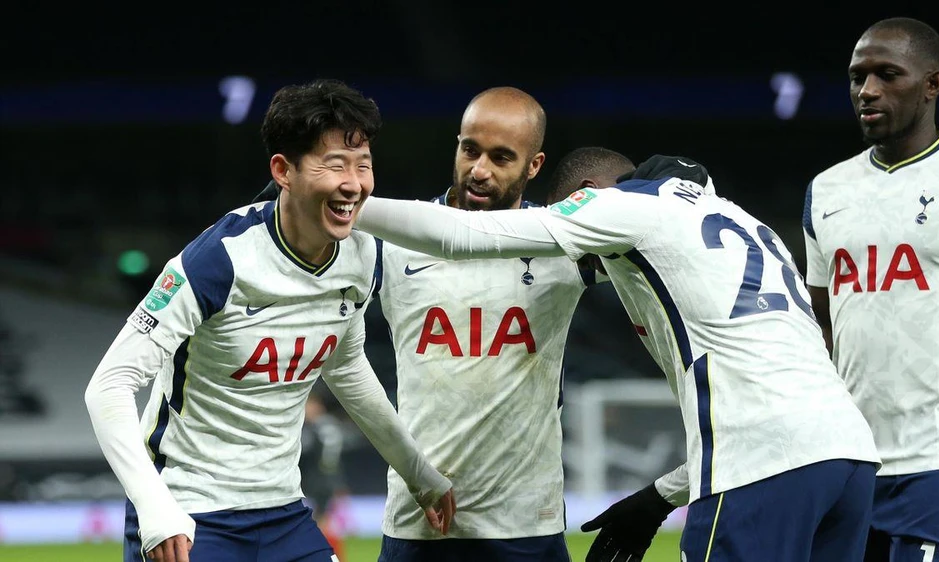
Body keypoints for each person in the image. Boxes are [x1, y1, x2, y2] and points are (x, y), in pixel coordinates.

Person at [351, 146, 883, 562]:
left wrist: (339, 198)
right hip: (851, 458)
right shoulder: (746, 221)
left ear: (585, 195)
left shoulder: (618, 207)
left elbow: (465, 234)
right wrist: (660, 497)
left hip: (763, 468)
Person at [84, 78, 455, 562]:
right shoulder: (217, 260)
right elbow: (109, 385)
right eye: (334, 164)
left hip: (283, 512)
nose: (354, 183)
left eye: (363, 165)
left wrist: (418, 472)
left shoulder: (362, 254)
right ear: (283, 170)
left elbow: (345, 368)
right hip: (189, 514)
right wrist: (154, 506)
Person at [255, 86, 609, 562]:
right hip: (418, 523)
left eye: (502, 157)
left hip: (527, 523)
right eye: (470, 150)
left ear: (535, 166)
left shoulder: (564, 243)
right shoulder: (395, 240)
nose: (479, 170)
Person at [802, 17, 939, 562]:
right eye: (857, 77)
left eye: (887, 75)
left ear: (931, 84)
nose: (867, 91)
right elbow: (821, 322)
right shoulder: (825, 190)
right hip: (849, 461)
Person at [299, 389, 349, 560]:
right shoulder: (318, 426)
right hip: (312, 482)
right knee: (319, 524)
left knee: (320, 524)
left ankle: (330, 556)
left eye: (309, 405)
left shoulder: (322, 427)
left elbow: (328, 459)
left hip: (320, 482)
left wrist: (335, 483)